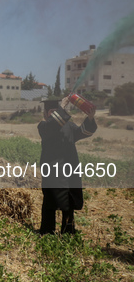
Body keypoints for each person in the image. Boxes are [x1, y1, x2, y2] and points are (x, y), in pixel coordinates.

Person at [38, 97, 96, 235]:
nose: (54, 114)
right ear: (46, 114)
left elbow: (84, 132)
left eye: (56, 111)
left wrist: (90, 117)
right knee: (50, 202)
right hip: (52, 172)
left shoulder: (69, 127)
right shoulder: (43, 126)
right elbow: (53, 125)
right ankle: (47, 232)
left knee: (68, 202)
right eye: (52, 112)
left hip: (69, 170)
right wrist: (62, 109)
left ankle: (68, 231)